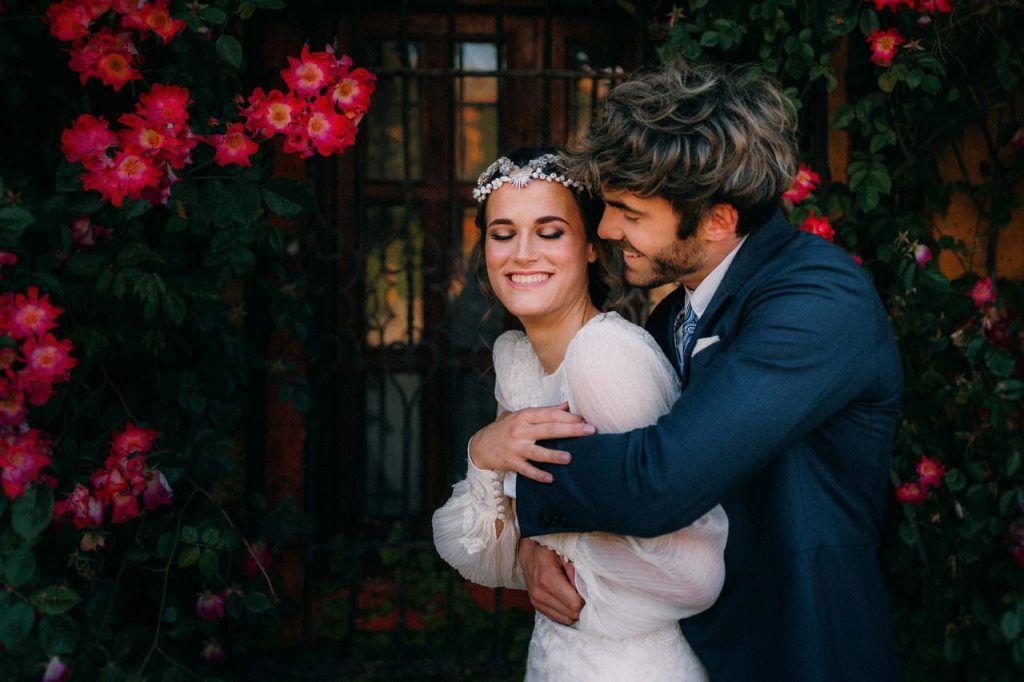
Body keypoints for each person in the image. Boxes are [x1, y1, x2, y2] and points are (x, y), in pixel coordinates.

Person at [469, 63, 904, 681]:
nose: (608, 228)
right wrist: (539, 545)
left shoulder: (819, 302)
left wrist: (503, 461)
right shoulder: (674, 311)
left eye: (629, 212)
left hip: (799, 650)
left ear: (718, 221)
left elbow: (659, 480)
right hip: (690, 646)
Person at [432, 148, 728, 680]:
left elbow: (692, 571)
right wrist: (486, 456)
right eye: (502, 234)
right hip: (557, 655)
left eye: (549, 232)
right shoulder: (516, 358)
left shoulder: (605, 356)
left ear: (591, 246)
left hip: (634, 663)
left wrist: (571, 563)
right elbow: (505, 541)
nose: (522, 253)